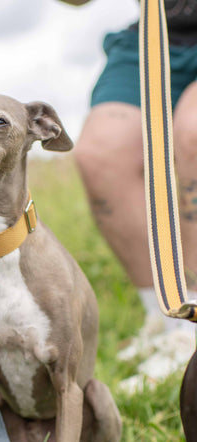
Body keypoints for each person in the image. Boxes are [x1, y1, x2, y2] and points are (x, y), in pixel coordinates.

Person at [57, 0, 197, 391]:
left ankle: (193, 326)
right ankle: (165, 317)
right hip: (156, 33)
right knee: (101, 154)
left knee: (194, 133)